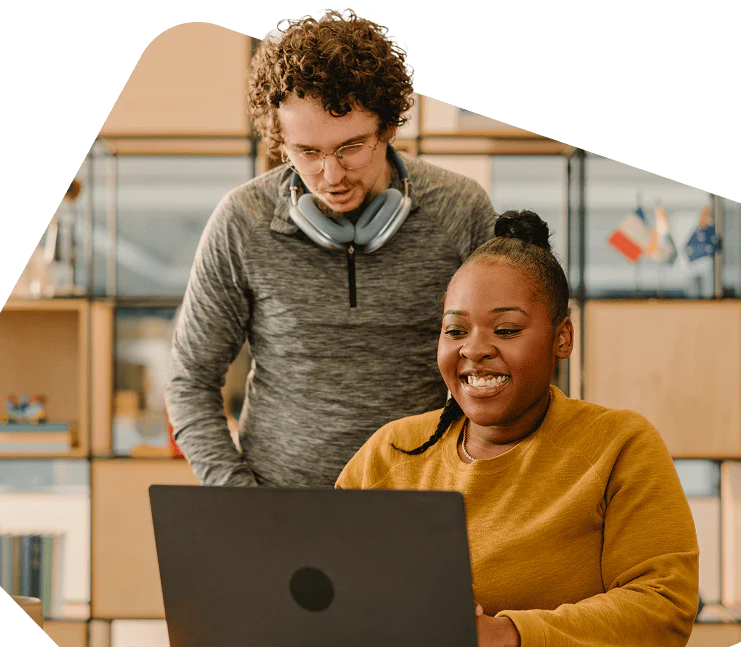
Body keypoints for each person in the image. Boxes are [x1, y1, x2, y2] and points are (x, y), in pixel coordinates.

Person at [336, 210, 700, 647]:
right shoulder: (388, 451)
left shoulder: (620, 445)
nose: (474, 349)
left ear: (561, 338)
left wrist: (505, 633)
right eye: (455, 330)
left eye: (506, 330)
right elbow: (324, 595)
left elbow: (663, 607)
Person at [165, 10, 497, 488]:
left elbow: (508, 366)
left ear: (387, 126)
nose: (331, 175)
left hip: (425, 504)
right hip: (278, 512)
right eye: (307, 153)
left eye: (351, 147)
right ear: (280, 141)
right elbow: (189, 382)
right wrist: (241, 500)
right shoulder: (243, 221)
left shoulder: (460, 210)